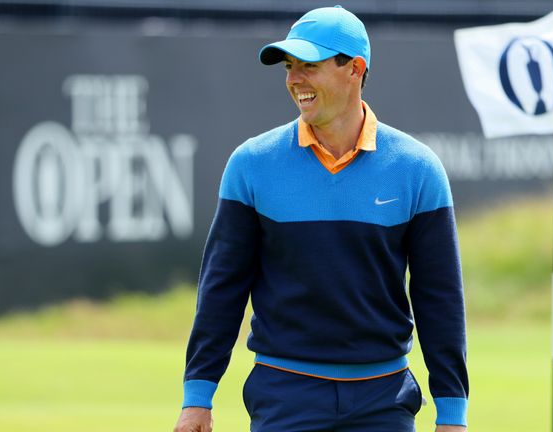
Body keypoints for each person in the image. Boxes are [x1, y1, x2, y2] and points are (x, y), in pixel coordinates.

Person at [174, 6, 468, 432]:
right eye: (290, 67)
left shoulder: (418, 169)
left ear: (355, 69)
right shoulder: (252, 164)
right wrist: (197, 397)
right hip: (285, 394)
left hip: (383, 400)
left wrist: (452, 413)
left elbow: (439, 298)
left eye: (309, 66)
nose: (295, 79)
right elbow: (222, 288)